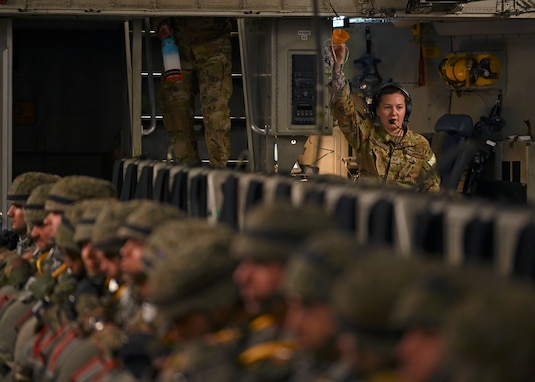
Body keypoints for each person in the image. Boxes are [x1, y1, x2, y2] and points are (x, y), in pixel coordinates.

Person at [325, 43, 440, 192]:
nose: (394, 113)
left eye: (399, 108)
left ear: (407, 110)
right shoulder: (365, 136)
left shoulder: (420, 145)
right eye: (387, 107)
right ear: (377, 111)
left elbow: (431, 185)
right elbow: (343, 110)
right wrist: (337, 69)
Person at [156, 17, 233, 168]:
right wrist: (160, 23)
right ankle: (187, 173)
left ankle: (218, 173)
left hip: (213, 41)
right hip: (176, 43)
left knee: (216, 114)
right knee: (175, 113)